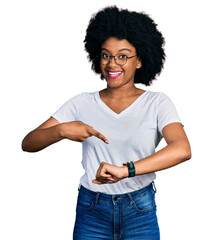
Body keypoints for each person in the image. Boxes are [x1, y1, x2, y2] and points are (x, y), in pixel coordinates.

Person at [22, 5, 192, 240]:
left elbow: (182, 149)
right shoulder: (81, 103)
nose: (112, 64)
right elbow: (28, 143)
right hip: (91, 210)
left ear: (139, 60)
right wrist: (61, 130)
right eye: (105, 55)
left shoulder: (157, 103)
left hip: (139, 210)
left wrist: (126, 170)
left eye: (123, 56)